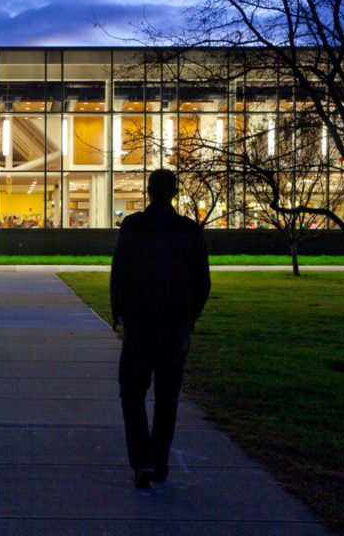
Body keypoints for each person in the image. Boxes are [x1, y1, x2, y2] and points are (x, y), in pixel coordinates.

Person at [110, 168, 210, 490]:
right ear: (175, 192)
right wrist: (189, 318)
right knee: (167, 399)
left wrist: (120, 314)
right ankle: (160, 461)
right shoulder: (189, 230)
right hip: (174, 327)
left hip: (140, 325)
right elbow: (202, 282)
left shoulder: (134, 226)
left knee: (132, 394)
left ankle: (142, 460)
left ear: (148, 191)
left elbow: (120, 273)